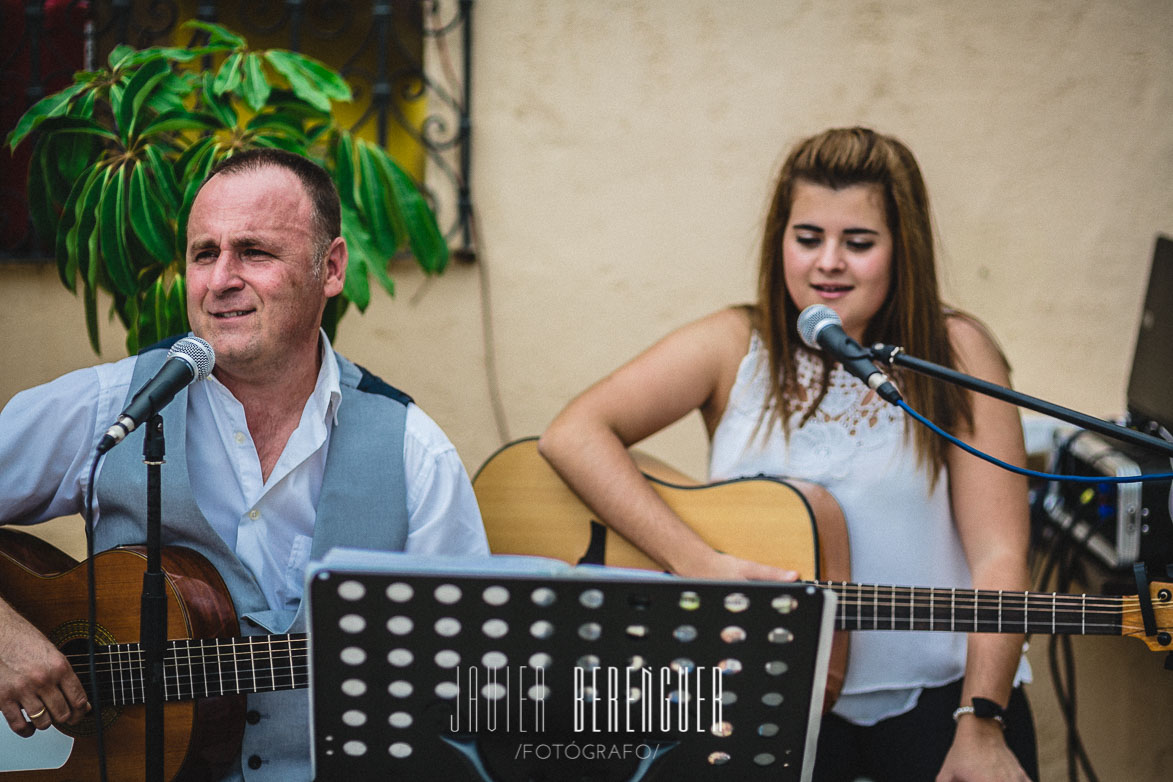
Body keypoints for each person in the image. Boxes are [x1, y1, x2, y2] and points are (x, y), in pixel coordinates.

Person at [539, 127, 1037, 781]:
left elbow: (998, 554)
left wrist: (980, 719)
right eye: (807, 238)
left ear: (901, 250)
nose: (827, 262)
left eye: (857, 243)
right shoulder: (733, 346)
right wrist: (696, 561)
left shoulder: (954, 354)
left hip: (940, 709)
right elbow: (572, 435)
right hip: (762, 708)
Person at [0, 148, 489, 780]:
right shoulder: (110, 407)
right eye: (204, 253)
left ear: (331, 267)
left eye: (254, 252)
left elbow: (478, 673)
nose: (220, 279)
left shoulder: (412, 452)